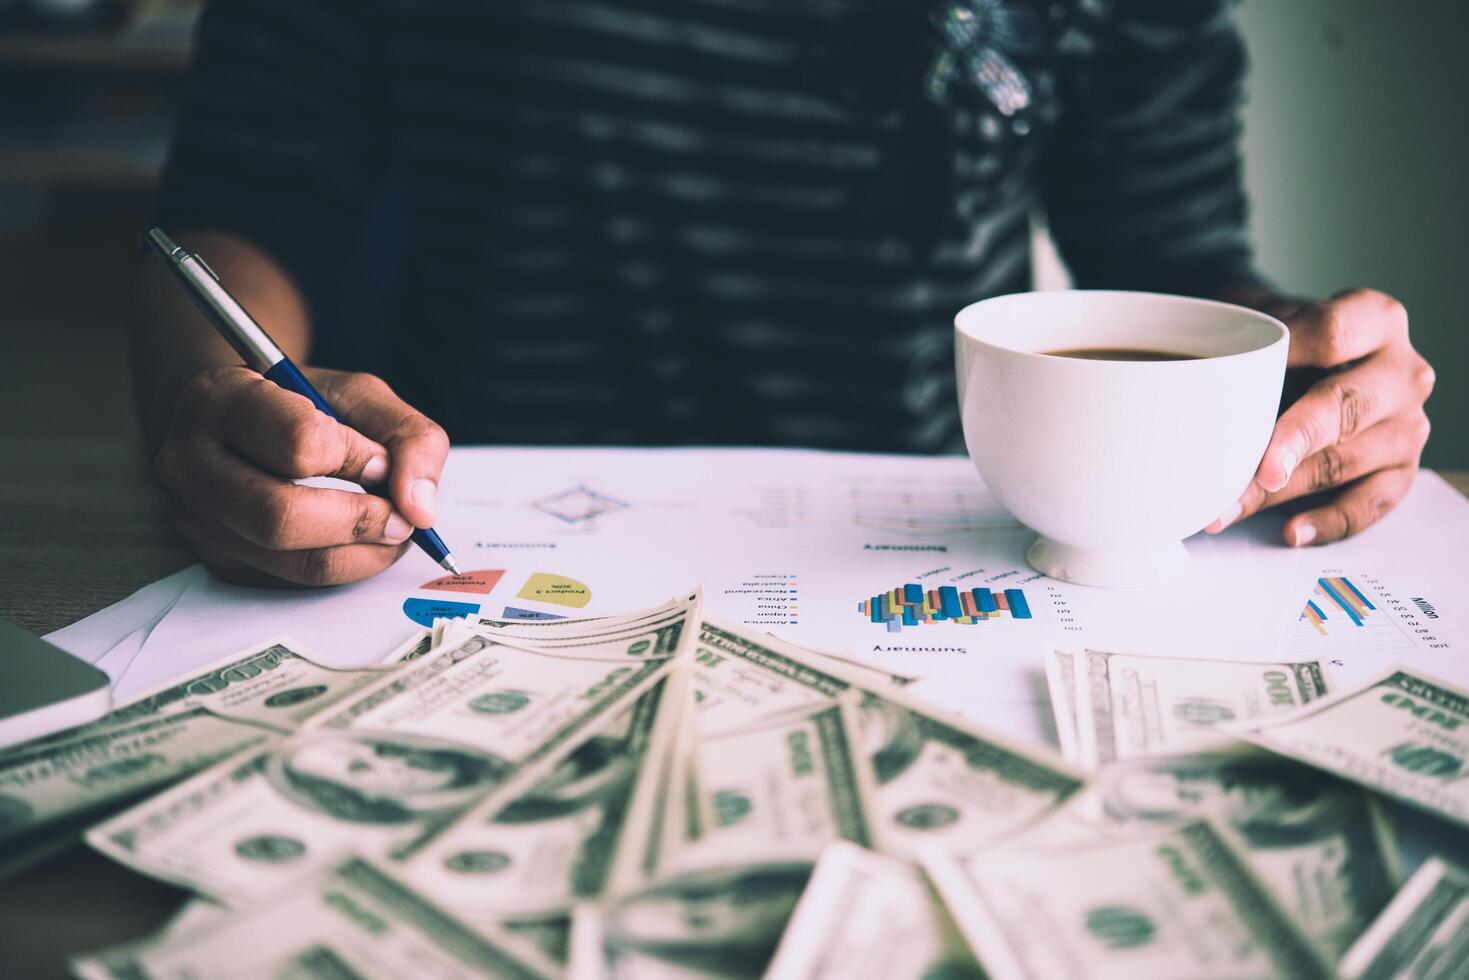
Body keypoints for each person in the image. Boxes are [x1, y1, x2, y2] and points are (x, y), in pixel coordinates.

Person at [133, 0, 1434, 588]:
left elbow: (1177, 265)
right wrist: (218, 398)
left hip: (944, 549)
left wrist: (1308, 383)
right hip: (466, 515)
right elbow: (243, 205)